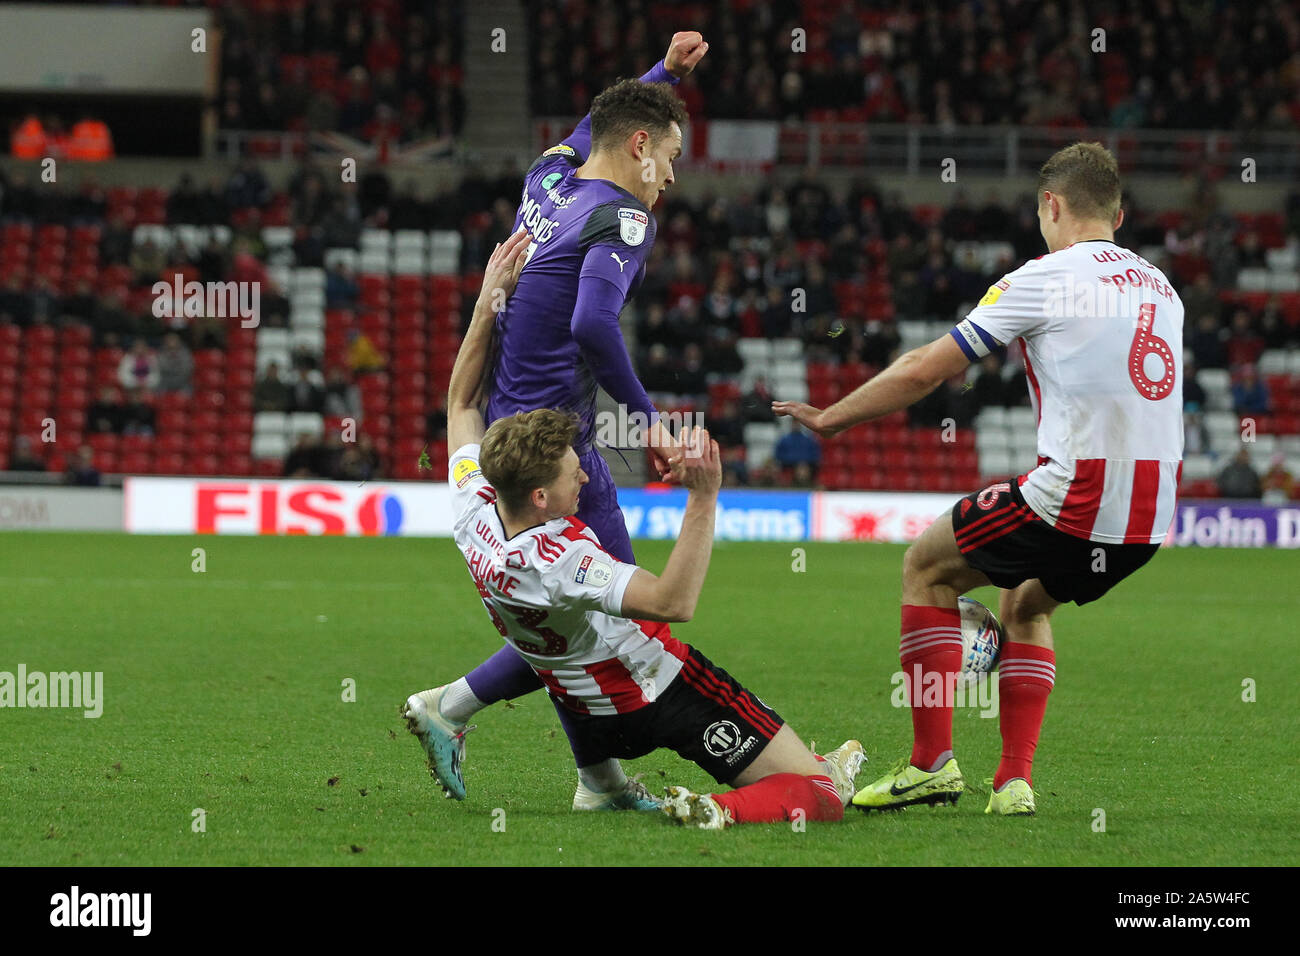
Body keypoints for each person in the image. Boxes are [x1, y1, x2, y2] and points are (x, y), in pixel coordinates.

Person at [402, 232, 864, 827]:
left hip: (589, 714)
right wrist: (704, 496)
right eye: (575, 475)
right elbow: (675, 602)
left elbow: (460, 404)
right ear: (541, 497)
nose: (587, 483)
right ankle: (713, 808)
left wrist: (487, 303)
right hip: (660, 693)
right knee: (820, 793)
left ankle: (599, 783)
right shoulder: (560, 556)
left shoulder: (475, 507)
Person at [776, 142, 1184, 816]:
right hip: (1148, 521)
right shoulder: (1160, 286)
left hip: (1072, 496)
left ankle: (930, 765)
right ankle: (1013, 783)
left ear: (1051, 206)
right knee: (1026, 604)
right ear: (1120, 213)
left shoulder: (1046, 275)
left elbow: (923, 370)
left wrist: (832, 419)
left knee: (925, 568)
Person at [409, 32, 710, 806]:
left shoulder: (545, 179)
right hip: (555, 447)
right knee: (613, 613)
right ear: (639, 148)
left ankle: (594, 778)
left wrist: (663, 75)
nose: (671, 178)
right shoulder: (624, 222)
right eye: (670, 157)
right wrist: (648, 420)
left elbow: (594, 127)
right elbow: (592, 326)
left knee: (569, 611)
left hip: (510, 424)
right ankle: (453, 707)